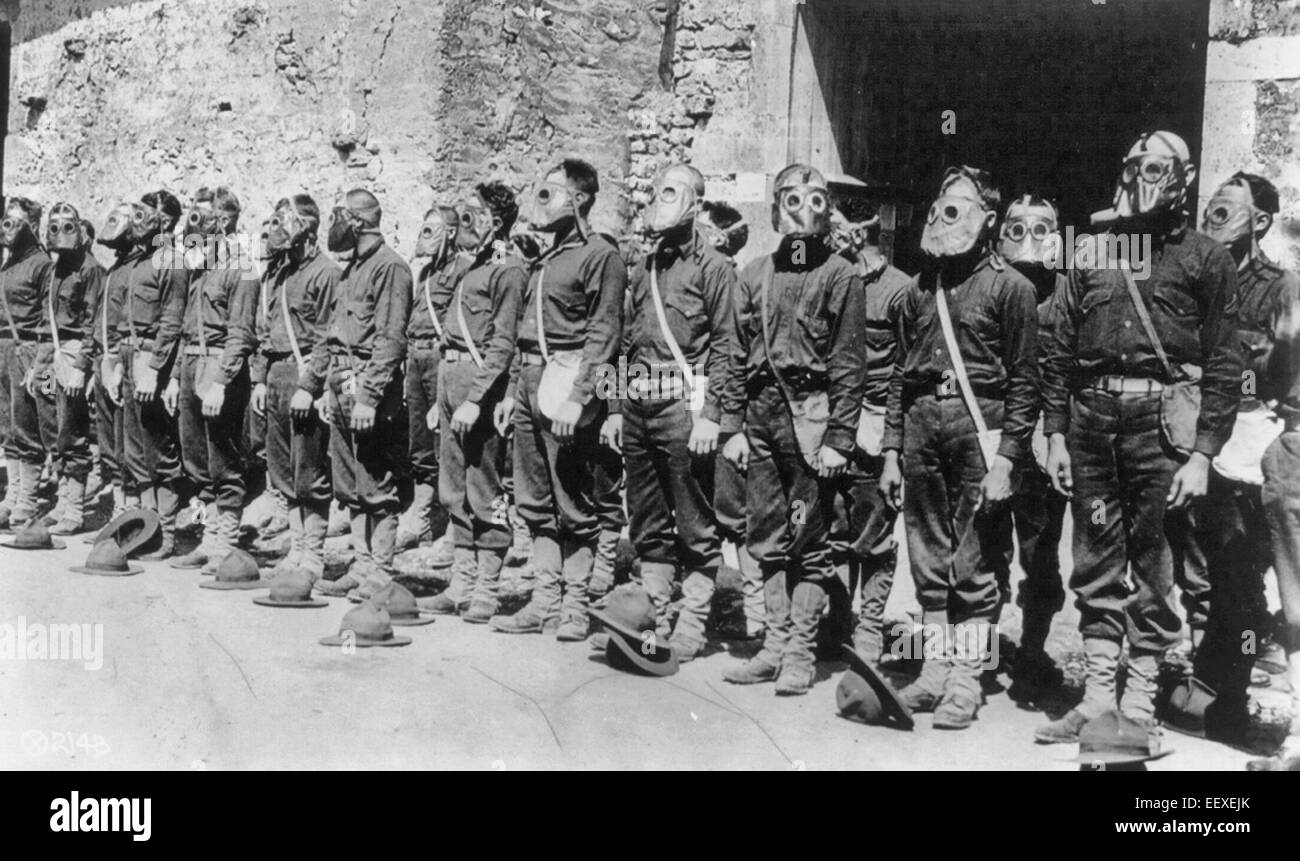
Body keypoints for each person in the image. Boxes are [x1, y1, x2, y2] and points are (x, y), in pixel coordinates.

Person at [1038, 131, 1242, 742]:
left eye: (1160, 168)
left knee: (1154, 560)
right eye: (1137, 167)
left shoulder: (1207, 258)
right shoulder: (1090, 252)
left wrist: (1203, 453)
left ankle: (1142, 703)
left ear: (1185, 176)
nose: (1147, 179)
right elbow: (1057, 354)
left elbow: (1226, 365)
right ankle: (1098, 698)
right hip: (1094, 422)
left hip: (1162, 428)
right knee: (1096, 555)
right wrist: (1054, 436)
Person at [880, 167, 1040, 729]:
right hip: (923, 422)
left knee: (974, 559)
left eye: (958, 207)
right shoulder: (919, 289)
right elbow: (900, 375)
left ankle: (967, 679)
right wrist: (892, 451)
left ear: (989, 219)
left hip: (981, 427)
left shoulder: (1012, 289)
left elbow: (1025, 380)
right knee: (926, 553)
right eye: (938, 205)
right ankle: (933, 670)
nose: (941, 216)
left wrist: (1008, 458)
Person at [720, 163, 867, 695]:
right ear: (775, 207)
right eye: (791, 199)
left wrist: (839, 440)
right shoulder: (754, 273)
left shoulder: (841, 275)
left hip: (811, 423)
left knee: (810, 541)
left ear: (829, 209)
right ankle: (773, 646)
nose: (803, 210)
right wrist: (731, 426)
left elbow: (850, 364)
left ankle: (801, 653)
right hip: (760, 423)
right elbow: (734, 355)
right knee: (766, 537)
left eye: (815, 200)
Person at [1170, 173, 1297, 746]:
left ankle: (1228, 696)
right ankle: (1204, 684)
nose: (1212, 220)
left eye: (1227, 212)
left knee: (1238, 576)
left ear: (1261, 222)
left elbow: (1289, 376)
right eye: (1210, 210)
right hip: (1188, 432)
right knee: (1193, 565)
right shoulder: (1192, 271)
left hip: (1246, 447)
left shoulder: (1280, 289)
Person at [599, 164, 736, 660]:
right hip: (637, 405)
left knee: (696, 522)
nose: (660, 199)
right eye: (657, 190)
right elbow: (622, 339)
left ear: (696, 203)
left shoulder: (715, 269)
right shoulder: (644, 265)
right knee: (647, 520)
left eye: (672, 191)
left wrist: (713, 416)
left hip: (684, 406)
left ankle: (694, 622)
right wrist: (615, 406)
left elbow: (727, 347)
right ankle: (651, 610)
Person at [490, 158, 626, 641]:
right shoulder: (545, 259)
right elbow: (526, 333)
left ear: (581, 200)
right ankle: (543, 601)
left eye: (551, 193)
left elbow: (605, 332)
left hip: (567, 383)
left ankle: (575, 605)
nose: (539, 203)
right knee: (534, 498)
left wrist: (579, 399)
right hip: (529, 381)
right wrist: (510, 392)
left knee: (573, 498)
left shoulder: (600, 256)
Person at [421, 183, 524, 621]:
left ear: (495, 223)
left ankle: (487, 587)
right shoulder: (473, 266)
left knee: (488, 490)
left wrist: (476, 399)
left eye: (474, 213)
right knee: (454, 488)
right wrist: (442, 398)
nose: (465, 220)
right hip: (451, 381)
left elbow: (503, 343)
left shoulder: (509, 269)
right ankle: (460, 582)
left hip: (480, 389)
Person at [303, 189, 411, 600]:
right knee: (350, 484)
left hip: (370, 386)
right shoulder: (350, 270)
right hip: (343, 382)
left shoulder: (390, 268)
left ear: (360, 221)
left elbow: (390, 340)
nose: (335, 224)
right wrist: (329, 387)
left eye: (341, 215)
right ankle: (362, 565)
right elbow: (332, 336)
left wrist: (368, 396)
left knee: (376, 483)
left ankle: (379, 574)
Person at [826, 192, 910, 665]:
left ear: (859, 231)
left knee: (875, 536)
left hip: (875, 431)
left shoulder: (900, 290)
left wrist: (894, 447)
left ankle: (871, 629)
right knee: (832, 531)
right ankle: (837, 622)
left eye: (836, 224)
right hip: (831, 428)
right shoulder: (830, 279)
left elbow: (903, 373)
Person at [996, 194, 1071, 697]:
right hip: (995, 433)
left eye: (1042, 228)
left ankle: (1032, 648)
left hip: (1048, 436)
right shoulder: (989, 285)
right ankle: (973, 651)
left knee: (1041, 550)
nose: (1030, 237)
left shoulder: (1072, 291)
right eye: (1018, 227)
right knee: (982, 544)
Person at [164, 188, 258, 573]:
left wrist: (221, 380)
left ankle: (225, 539)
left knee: (223, 458)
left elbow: (242, 334)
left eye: (203, 217)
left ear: (224, 222)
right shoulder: (199, 268)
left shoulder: (241, 270)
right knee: (195, 460)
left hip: (218, 367)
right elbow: (185, 327)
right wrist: (173, 377)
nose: (193, 224)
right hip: (189, 364)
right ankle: (206, 534)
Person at [250, 195, 340, 583]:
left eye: (285, 221)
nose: (277, 229)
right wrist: (258, 378)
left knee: (310, 471)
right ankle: (296, 547)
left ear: (305, 226)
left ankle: (313, 555)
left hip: (305, 377)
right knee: (283, 469)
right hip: (277, 374)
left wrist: (311, 384)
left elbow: (327, 337)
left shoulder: (327, 273)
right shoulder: (280, 273)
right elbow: (264, 330)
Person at [699, 200, 765, 638]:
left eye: (702, 228)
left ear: (720, 239)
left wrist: (727, 421)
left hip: (719, 415)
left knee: (737, 518)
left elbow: (730, 352)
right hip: (701, 412)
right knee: (708, 513)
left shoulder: (723, 274)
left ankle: (756, 616)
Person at [116, 190, 188, 560]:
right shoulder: (139, 261)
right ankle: (148, 528)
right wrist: (117, 364)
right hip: (129, 356)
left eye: (148, 215)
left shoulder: (172, 262)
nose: (138, 221)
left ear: (167, 222)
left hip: (149, 360)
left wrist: (155, 371)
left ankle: (168, 534)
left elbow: (173, 323)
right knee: (135, 451)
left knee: (159, 450)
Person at [30, 203, 104, 535]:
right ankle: (61, 501)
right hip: (50, 352)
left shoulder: (90, 270)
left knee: (72, 432)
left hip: (73, 354)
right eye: (54, 227)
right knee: (51, 429)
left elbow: (93, 324)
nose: (61, 233)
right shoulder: (54, 268)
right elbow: (46, 319)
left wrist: (82, 368)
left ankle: (74, 508)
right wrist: (38, 363)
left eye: (68, 226)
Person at [396, 205, 465, 558]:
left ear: (450, 233)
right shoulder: (424, 274)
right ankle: (422, 516)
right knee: (420, 444)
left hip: (441, 360)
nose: (422, 237)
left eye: (430, 230)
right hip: (416, 359)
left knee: (448, 446)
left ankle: (456, 525)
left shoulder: (462, 270)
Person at [0, 197, 54, 530]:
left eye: (16, 222)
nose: (8, 228)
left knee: (26, 426)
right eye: (6, 221)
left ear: (32, 227)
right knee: (6, 426)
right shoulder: (8, 263)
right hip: (3, 347)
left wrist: (41, 361)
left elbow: (49, 317)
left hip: (26, 349)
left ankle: (28, 500)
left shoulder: (42, 264)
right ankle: (13, 495)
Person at [89, 203, 138, 521]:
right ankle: (118, 510)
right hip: (103, 363)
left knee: (126, 444)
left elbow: (130, 325)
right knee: (108, 443)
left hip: (121, 365)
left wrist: (116, 367)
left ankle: (130, 512)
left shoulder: (135, 271)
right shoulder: (113, 271)